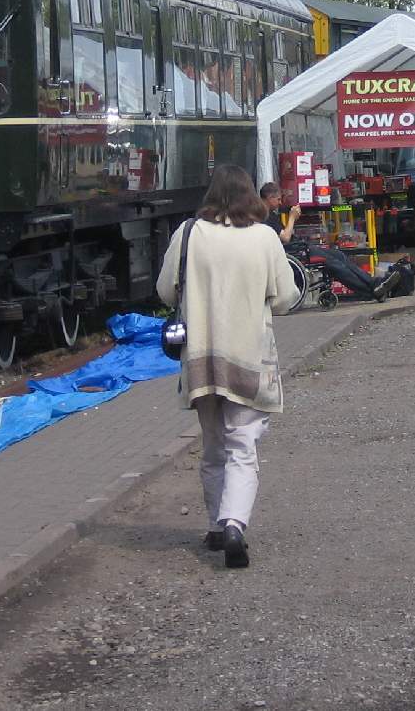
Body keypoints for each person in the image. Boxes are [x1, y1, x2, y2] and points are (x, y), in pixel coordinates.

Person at [157, 165, 300, 569]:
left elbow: (166, 290)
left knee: (213, 446)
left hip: (201, 360)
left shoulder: (187, 233)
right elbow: (286, 297)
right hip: (249, 358)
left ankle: (217, 527)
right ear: (250, 196)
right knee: (242, 445)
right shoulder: (265, 237)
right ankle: (234, 523)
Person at [259, 183, 402, 302]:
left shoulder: (270, 214)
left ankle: (374, 284)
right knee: (333, 264)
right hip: (292, 251)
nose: (280, 203)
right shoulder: (264, 216)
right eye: (277, 199)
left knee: (338, 255)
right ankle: (372, 288)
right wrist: (292, 218)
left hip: (297, 247)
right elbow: (285, 238)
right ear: (270, 198)